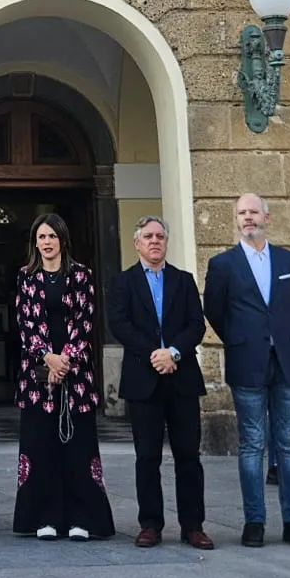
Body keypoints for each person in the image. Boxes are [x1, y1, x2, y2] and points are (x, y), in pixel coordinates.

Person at [203, 194, 290, 550]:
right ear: (235, 220)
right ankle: (254, 520)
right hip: (247, 363)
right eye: (242, 213)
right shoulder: (222, 264)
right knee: (251, 445)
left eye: (253, 212)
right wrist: (242, 339)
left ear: (266, 217)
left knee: (288, 445)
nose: (248, 218)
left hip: (287, 362)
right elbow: (215, 311)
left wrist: (282, 337)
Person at [108, 216, 212, 551]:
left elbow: (197, 324)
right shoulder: (123, 283)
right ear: (137, 243)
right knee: (147, 457)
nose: (155, 241)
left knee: (188, 457)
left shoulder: (183, 281)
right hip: (144, 380)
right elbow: (120, 325)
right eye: (148, 236)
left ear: (166, 242)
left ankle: (193, 526)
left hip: (182, 380)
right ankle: (150, 524)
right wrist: (155, 353)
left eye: (160, 236)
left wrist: (175, 353)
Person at [10, 214, 114, 541]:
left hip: (75, 375)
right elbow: (25, 324)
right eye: (41, 237)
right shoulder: (26, 277)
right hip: (38, 376)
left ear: (62, 240)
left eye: (52, 236)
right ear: (35, 242)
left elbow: (86, 321)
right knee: (41, 448)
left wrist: (64, 361)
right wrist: (48, 358)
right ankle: (46, 518)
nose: (47, 242)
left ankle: (83, 518)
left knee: (78, 449)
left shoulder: (82, 275)